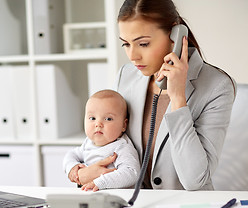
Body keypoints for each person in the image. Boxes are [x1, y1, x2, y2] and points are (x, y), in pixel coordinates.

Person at [76, 0, 236, 191]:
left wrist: (178, 99)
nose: (132, 56)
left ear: (175, 36)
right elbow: (108, 143)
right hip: (130, 205)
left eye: (143, 44)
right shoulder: (125, 76)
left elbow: (195, 180)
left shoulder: (217, 86)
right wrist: (80, 173)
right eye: (126, 44)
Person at [63, 89, 140, 192]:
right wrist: (72, 168)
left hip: (118, 197)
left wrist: (100, 182)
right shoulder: (88, 143)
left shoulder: (121, 147)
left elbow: (131, 173)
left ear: (124, 125)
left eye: (108, 119)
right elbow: (71, 154)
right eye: (92, 118)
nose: (98, 124)